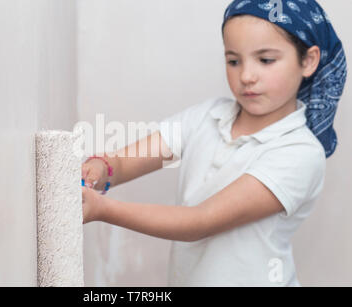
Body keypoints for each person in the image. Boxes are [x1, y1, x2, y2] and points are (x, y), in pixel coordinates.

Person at [81, 0, 347, 286]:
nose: (246, 76)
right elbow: (122, 164)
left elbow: (200, 222)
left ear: (308, 60)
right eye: (233, 61)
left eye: (266, 60)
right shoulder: (205, 118)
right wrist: (100, 169)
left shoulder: (300, 152)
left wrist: (101, 209)